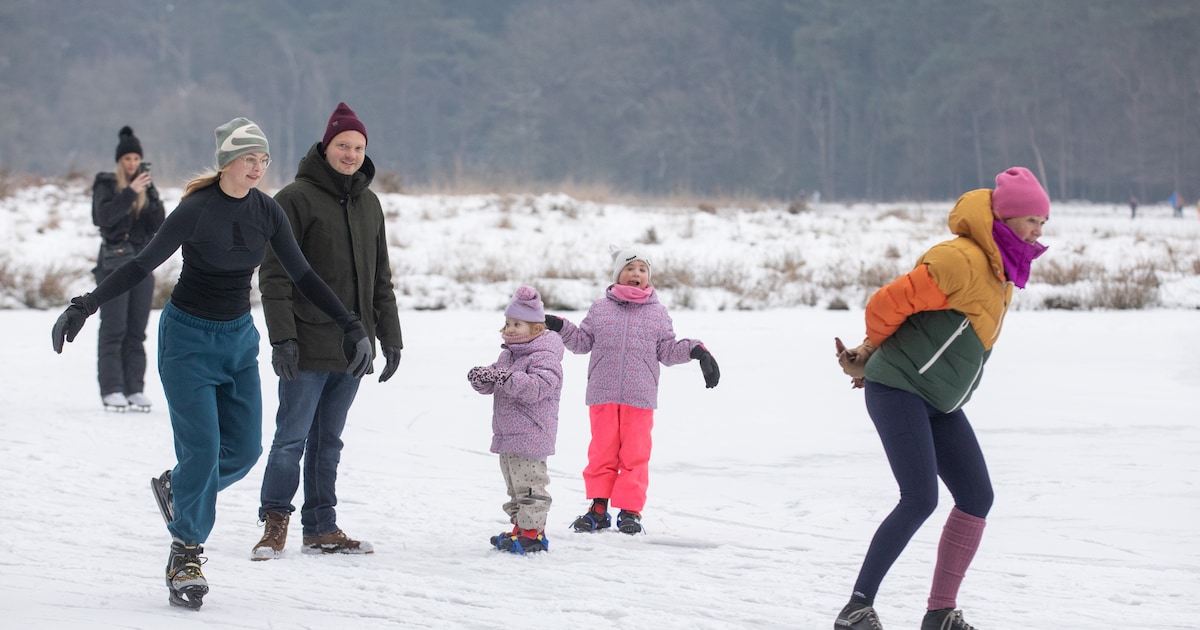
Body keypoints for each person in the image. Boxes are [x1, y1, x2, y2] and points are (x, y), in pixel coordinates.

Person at [51, 117, 373, 610]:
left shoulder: (268, 212)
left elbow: (303, 275)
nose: (258, 168)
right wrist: (86, 304)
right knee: (201, 452)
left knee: (243, 451)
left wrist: (350, 324)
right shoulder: (195, 210)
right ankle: (185, 555)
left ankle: (177, 488)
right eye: (249, 158)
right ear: (227, 161)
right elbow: (141, 265)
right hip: (187, 341)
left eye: (264, 160)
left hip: (238, 340)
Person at [832, 166, 1050, 630]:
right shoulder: (961, 260)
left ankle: (940, 612)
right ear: (1006, 218)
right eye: (1032, 220)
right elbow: (885, 304)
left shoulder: (1002, 268)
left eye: (1042, 223)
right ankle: (856, 608)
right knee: (919, 498)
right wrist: (872, 352)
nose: (1038, 231)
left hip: (940, 399)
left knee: (976, 496)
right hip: (900, 389)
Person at [252, 102, 403, 560]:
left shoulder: (370, 203)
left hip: (353, 348)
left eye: (358, 147)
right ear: (326, 145)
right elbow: (274, 275)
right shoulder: (294, 199)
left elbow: (381, 278)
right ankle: (275, 521)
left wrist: (391, 336)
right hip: (305, 342)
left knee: (329, 441)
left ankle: (321, 526)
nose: (351, 155)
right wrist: (283, 339)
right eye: (343, 146)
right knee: (290, 439)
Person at [545, 246, 720, 535]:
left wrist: (696, 351)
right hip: (603, 393)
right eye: (629, 268)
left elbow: (666, 350)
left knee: (635, 455)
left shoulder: (657, 313)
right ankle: (598, 508)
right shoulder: (600, 309)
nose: (635, 274)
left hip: (640, 396)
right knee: (602, 453)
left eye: (642, 269)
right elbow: (581, 342)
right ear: (618, 275)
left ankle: (630, 511)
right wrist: (560, 326)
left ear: (648, 277)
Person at [468, 285, 564, 554]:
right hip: (508, 434)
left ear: (536, 329)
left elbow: (536, 388)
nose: (509, 329)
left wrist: (504, 377)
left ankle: (533, 533)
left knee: (531, 487)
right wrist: (484, 379)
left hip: (532, 433)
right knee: (515, 487)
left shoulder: (545, 357)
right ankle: (521, 529)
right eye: (507, 323)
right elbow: (498, 382)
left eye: (517, 324)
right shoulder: (509, 354)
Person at [91, 126, 165, 411]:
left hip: (142, 263)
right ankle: (111, 388)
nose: (132, 164)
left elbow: (158, 226)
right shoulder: (106, 184)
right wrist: (129, 194)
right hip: (113, 264)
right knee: (114, 329)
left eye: (136, 158)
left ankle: (134, 388)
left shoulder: (146, 187)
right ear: (119, 161)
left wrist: (152, 197)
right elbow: (103, 218)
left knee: (136, 331)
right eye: (127, 159)